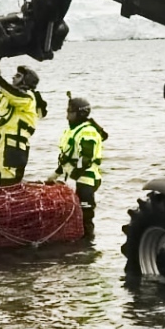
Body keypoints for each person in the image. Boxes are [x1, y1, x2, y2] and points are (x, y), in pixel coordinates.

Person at [47, 95, 108, 237]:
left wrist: (73, 178)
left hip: (86, 179)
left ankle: (88, 246)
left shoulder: (87, 132)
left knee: (85, 215)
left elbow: (85, 159)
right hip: (74, 178)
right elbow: (68, 157)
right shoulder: (72, 131)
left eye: (70, 111)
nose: (67, 115)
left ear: (80, 113)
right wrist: (56, 173)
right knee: (72, 215)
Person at [0, 64, 47, 186]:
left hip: (13, 149)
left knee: (9, 186)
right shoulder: (5, 97)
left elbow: (13, 94)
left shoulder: (27, 98)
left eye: (18, 76)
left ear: (26, 80)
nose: (13, 78)